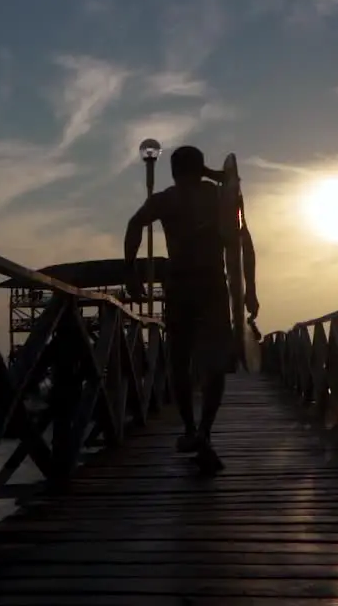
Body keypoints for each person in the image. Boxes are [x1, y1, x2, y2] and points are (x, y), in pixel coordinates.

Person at [123, 145, 259, 455]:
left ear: (172, 171)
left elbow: (134, 224)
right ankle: (204, 431)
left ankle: (190, 429)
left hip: (181, 284)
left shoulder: (166, 199)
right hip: (212, 283)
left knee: (179, 361)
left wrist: (129, 269)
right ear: (200, 169)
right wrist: (250, 290)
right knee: (213, 364)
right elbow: (244, 244)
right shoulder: (220, 197)